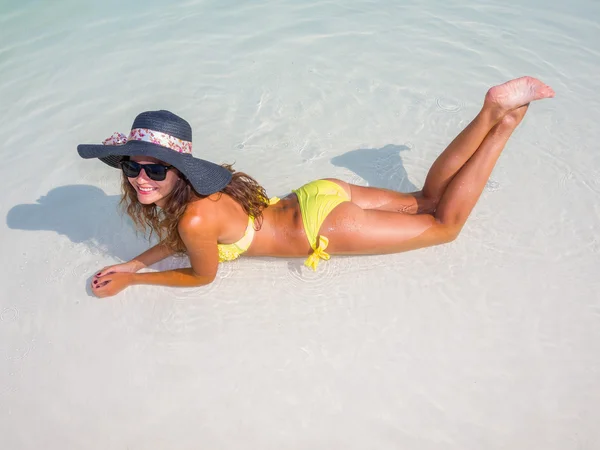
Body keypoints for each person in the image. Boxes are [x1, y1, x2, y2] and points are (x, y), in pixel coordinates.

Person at [78, 76, 554, 298]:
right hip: (316, 194)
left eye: (155, 170)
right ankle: (491, 109)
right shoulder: (202, 199)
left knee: (444, 225)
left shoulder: (195, 217)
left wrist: (134, 282)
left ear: (179, 172)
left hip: (326, 225)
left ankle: (506, 124)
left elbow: (200, 276)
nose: (141, 179)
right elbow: (181, 240)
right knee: (426, 201)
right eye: (131, 169)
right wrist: (132, 262)